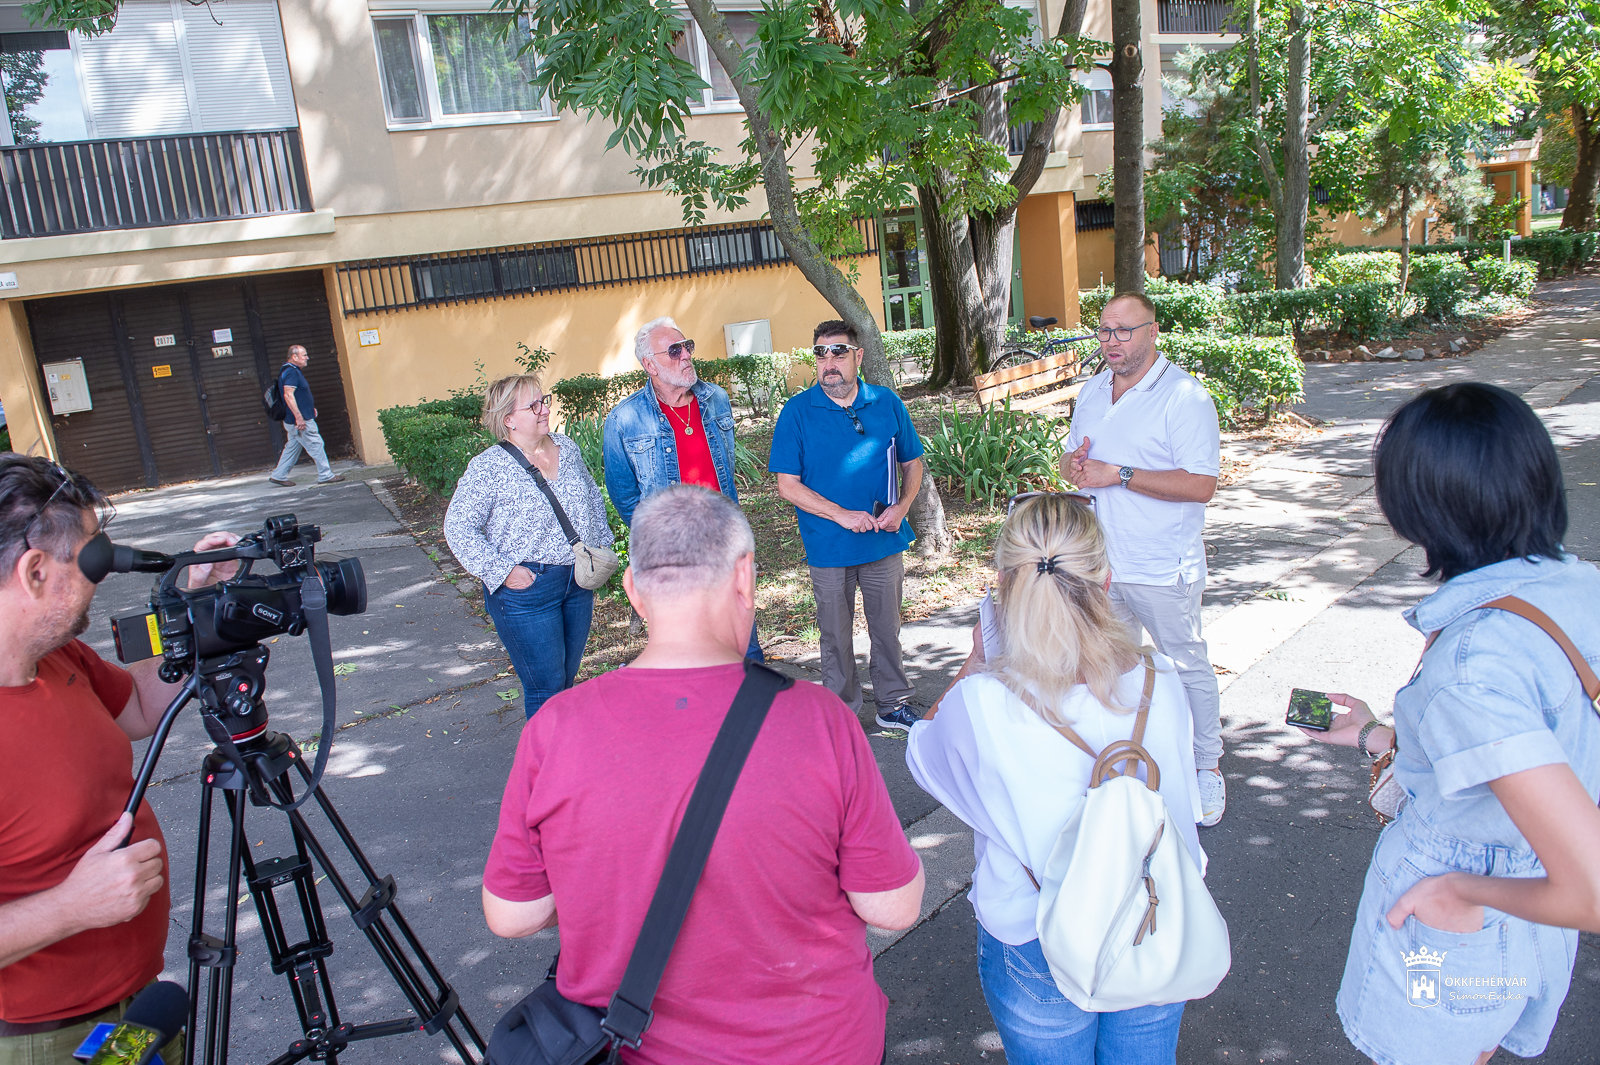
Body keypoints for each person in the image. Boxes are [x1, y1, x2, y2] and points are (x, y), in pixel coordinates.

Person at [481, 485, 925, 1064]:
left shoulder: (555, 728)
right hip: (815, 1046)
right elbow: (892, 908)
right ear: (745, 578)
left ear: (635, 592)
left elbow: (513, 914)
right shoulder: (820, 721)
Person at [1308, 384, 1600, 1065]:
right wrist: (1377, 736)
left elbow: (1592, 885)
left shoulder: (1477, 661)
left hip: (1461, 920)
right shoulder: (1576, 589)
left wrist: (1459, 888)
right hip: (1524, 922)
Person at [904, 493, 1204, 1065]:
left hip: (1034, 928)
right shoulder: (1159, 684)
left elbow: (923, 756)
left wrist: (976, 659)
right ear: (1107, 582)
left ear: (1004, 588)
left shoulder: (983, 703)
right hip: (1154, 910)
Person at [0, 456, 238, 1065]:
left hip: (138, 1002)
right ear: (32, 572)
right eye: (91, 561)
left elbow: (136, 704)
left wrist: (195, 603)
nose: (101, 580)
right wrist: (70, 907)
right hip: (49, 1039)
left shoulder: (57, 657)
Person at [1061, 292, 1224, 825]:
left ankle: (1206, 766)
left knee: (1185, 662)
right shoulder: (1091, 389)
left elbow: (1201, 484)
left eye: (1123, 331)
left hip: (1161, 564)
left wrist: (1121, 474)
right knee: (1113, 666)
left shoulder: (1184, 397)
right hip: (1105, 564)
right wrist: (1076, 465)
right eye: (1104, 330)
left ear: (1154, 332)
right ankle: (1128, 760)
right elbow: (1075, 461)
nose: (1110, 341)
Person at [769, 320, 926, 731]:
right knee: (835, 637)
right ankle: (842, 714)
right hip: (828, 546)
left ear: (858, 356)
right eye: (820, 353)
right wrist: (840, 515)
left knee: (887, 630)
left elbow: (912, 462)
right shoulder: (797, 412)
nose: (828, 362)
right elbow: (788, 486)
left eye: (838, 352)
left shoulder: (887, 402)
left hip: (883, 540)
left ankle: (893, 705)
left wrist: (903, 506)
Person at [444, 373, 612, 718]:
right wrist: (503, 572)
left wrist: (601, 547)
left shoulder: (567, 447)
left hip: (576, 582)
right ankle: (545, 769)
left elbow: (592, 497)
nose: (543, 409)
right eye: (533, 405)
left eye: (544, 400)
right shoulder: (489, 466)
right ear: (508, 419)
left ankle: (561, 758)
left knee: (565, 679)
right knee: (545, 687)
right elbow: (458, 527)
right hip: (527, 591)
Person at [602, 315, 762, 660]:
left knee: (743, 641)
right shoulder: (625, 419)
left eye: (686, 346)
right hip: (672, 554)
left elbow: (726, 470)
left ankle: (756, 710)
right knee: (686, 647)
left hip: (725, 541)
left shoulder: (715, 399)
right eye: (673, 351)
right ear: (650, 365)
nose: (686, 355)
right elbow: (623, 493)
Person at [269, 344, 344, 487]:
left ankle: (278, 475)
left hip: (297, 418)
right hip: (298, 420)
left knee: (292, 447)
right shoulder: (290, 372)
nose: (307, 357)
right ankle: (325, 475)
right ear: (294, 357)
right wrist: (299, 417)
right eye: (304, 355)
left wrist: (309, 408)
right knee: (316, 444)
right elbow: (288, 395)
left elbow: (299, 395)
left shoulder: (290, 370)